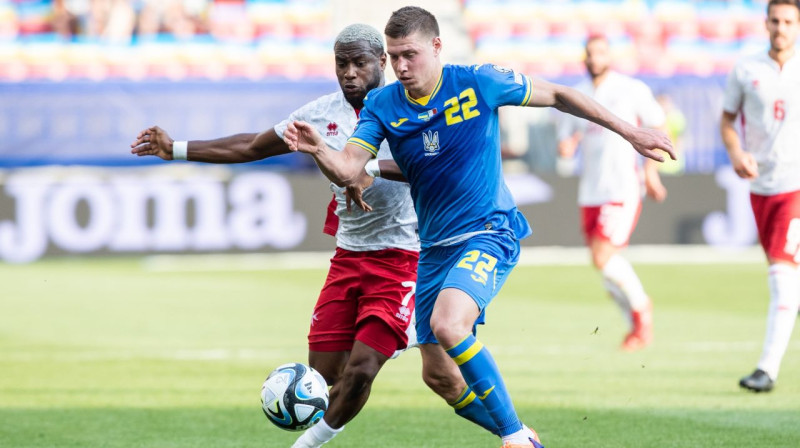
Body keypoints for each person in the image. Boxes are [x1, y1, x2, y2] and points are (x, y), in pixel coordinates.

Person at [283, 7, 674, 448]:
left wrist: (631, 132)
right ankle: (526, 437)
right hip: (432, 250)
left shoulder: (479, 81)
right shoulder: (382, 104)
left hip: (489, 231)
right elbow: (349, 167)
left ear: (436, 47)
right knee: (440, 377)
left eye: (410, 54)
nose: (402, 67)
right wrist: (319, 149)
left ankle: (514, 439)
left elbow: (560, 94)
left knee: (451, 326)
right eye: (394, 58)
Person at [130, 24, 421, 447]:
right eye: (342, 63)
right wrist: (174, 147)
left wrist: (367, 169)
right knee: (319, 381)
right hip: (349, 256)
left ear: (382, 63)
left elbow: (434, 167)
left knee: (362, 368)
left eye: (360, 63)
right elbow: (251, 146)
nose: (350, 73)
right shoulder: (320, 114)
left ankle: (304, 446)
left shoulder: (413, 109)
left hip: (404, 255)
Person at [556, 34, 667, 352]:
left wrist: (651, 172)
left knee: (604, 257)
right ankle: (634, 326)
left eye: (600, 52)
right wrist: (567, 145)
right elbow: (567, 140)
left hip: (621, 187)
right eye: (589, 53)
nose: (594, 58)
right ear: (584, 58)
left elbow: (658, 125)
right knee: (602, 262)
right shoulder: (577, 94)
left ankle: (641, 310)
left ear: (609, 56)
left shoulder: (630, 89)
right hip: (590, 190)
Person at [720, 0, 800, 393]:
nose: (781, 27)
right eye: (775, 20)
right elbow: (727, 120)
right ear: (765, 22)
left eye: (788, 21)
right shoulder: (746, 68)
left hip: (796, 186)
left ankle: (766, 370)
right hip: (761, 187)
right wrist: (736, 153)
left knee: (782, 277)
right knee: (787, 277)